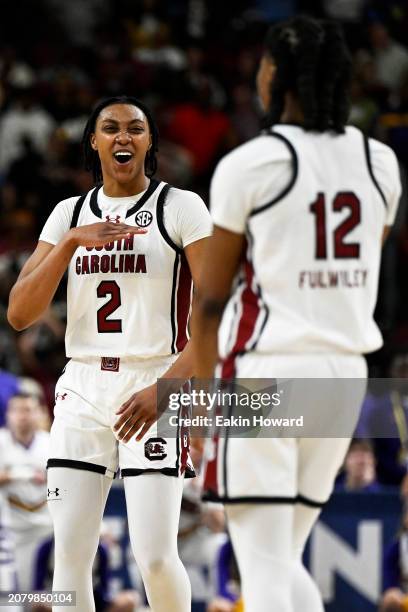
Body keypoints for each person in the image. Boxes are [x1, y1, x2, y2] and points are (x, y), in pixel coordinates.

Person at [192, 16, 401, 612]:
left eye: (262, 65)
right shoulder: (380, 162)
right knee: (280, 559)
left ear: (278, 76)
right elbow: (369, 248)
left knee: (260, 572)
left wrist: (200, 405)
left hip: (265, 374)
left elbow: (209, 301)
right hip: (342, 377)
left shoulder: (251, 163)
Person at [8, 95, 212, 612]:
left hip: (157, 382)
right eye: (111, 128)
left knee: (156, 557)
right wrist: (72, 242)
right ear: (93, 142)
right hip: (83, 386)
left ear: (149, 142)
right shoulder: (68, 214)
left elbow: (214, 316)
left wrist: (167, 391)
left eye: (135, 128)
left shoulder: (180, 207)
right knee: (70, 555)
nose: (123, 136)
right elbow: (19, 313)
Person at [0, 392, 52, 591]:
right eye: (17, 410)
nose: (23, 416)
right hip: (10, 530)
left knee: (47, 594)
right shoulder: (1, 441)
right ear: (8, 415)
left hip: (47, 527)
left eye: (28, 410)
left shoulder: (51, 442)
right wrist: (24, 475)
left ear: (40, 413)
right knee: (13, 594)